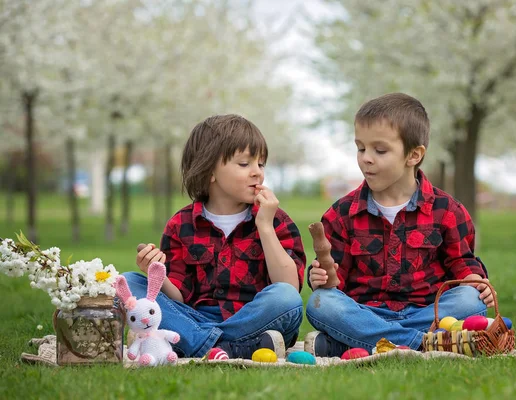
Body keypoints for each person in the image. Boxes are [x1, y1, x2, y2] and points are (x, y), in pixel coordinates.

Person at [304, 93, 493, 357]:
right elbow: (336, 283)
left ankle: (362, 342)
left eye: (379, 150)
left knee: (470, 300)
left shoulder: (447, 210)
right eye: (360, 148)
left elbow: (461, 261)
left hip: (428, 311)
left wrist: (473, 278)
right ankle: (423, 344)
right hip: (365, 311)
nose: (366, 158)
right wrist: (321, 278)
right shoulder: (341, 214)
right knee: (320, 303)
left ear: (414, 155)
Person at [123, 114, 306, 359]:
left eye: (260, 164)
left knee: (285, 299)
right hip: (195, 316)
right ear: (210, 171)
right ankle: (232, 347)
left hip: (254, 318)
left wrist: (265, 226)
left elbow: (289, 287)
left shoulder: (275, 220)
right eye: (245, 164)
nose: (257, 173)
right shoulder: (181, 224)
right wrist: (156, 273)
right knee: (128, 282)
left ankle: (195, 343)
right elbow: (178, 296)